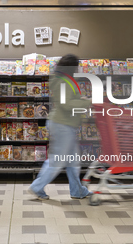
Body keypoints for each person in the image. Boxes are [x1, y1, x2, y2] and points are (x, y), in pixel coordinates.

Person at [29, 54, 93, 200]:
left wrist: (80, 99)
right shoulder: (62, 81)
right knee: (57, 160)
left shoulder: (64, 79)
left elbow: (68, 99)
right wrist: (86, 102)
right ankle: (36, 186)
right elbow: (66, 104)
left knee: (73, 162)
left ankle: (77, 191)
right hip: (62, 124)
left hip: (65, 124)